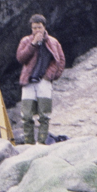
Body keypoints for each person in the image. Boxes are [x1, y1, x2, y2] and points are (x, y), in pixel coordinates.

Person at [14, 15, 66, 145]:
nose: (37, 30)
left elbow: (61, 60)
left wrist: (50, 76)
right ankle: (29, 143)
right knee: (26, 115)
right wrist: (33, 44)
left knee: (44, 115)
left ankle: (42, 143)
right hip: (28, 81)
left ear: (44, 27)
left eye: (39, 27)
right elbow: (21, 58)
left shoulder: (53, 42)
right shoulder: (26, 41)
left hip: (44, 81)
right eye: (34, 28)